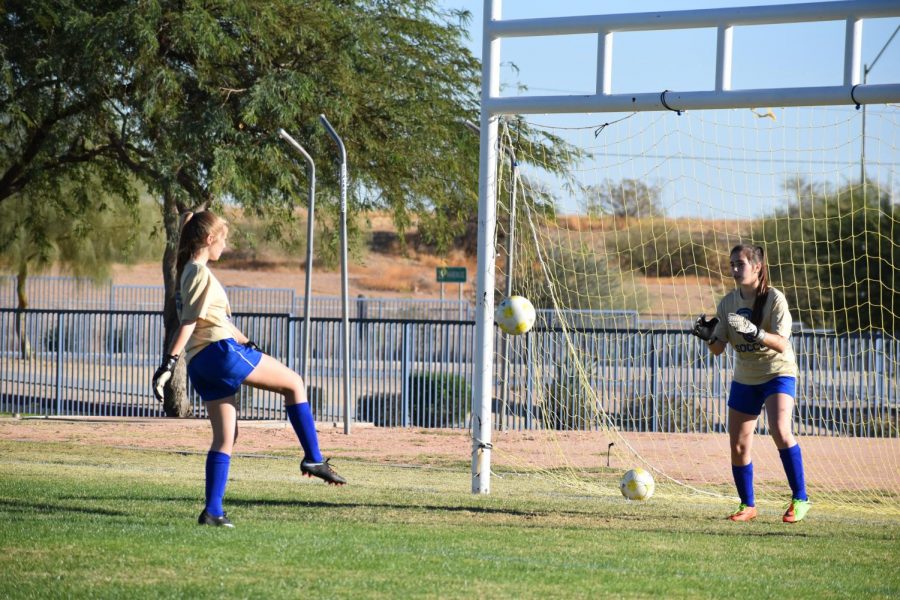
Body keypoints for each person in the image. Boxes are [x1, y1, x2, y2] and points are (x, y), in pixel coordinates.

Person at [152, 210, 345, 528]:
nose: (224, 246)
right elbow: (188, 323)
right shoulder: (200, 273)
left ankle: (212, 512)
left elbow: (218, 321)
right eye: (223, 239)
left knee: (226, 437)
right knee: (294, 383)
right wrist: (168, 364)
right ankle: (313, 458)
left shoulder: (186, 271)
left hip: (202, 363)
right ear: (209, 239)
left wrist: (250, 345)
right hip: (220, 353)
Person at [692, 244, 810, 523]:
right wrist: (708, 336)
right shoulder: (728, 303)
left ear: (757, 267)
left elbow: (781, 344)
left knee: (780, 430)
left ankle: (801, 498)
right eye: (731, 263)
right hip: (746, 377)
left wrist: (756, 332)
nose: (734, 269)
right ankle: (748, 505)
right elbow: (718, 349)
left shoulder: (774, 299)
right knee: (738, 445)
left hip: (777, 372)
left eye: (740, 264)